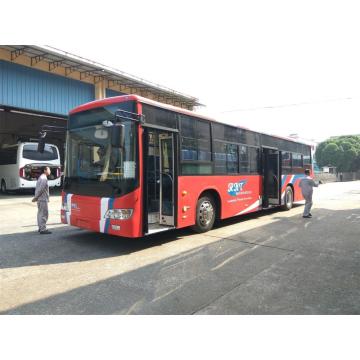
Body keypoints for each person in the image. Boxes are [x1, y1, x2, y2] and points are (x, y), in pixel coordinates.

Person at [32, 166, 51, 234]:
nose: (50, 171)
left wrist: (36, 197)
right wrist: (36, 197)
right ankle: (43, 229)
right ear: (45, 170)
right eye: (49, 169)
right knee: (44, 214)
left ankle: (40, 228)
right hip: (42, 199)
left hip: (40, 199)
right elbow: (41, 189)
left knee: (40, 213)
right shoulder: (44, 178)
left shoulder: (41, 177)